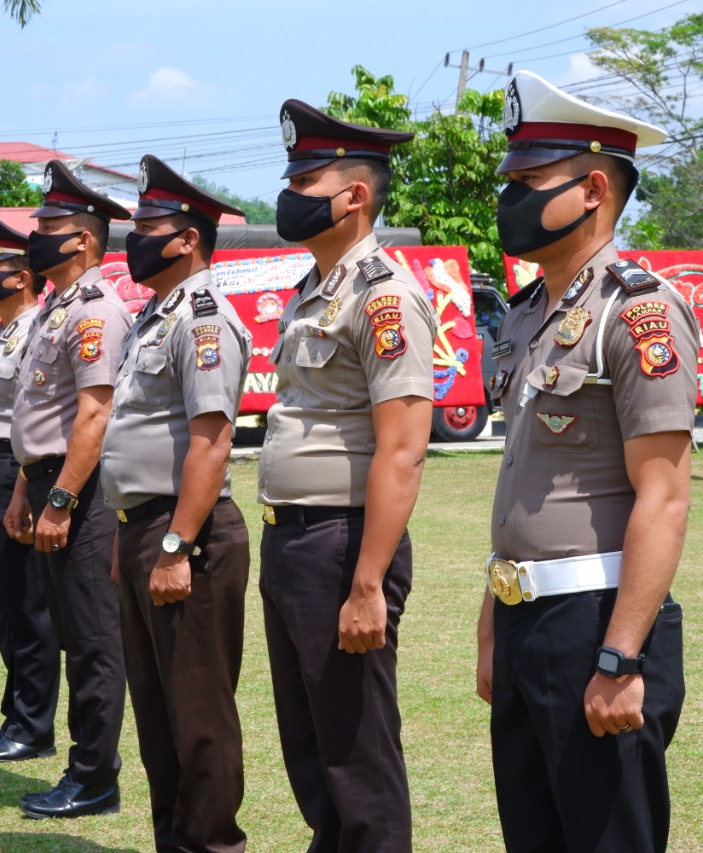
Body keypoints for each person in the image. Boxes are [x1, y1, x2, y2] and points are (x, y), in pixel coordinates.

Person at [475, 70, 695, 853]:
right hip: (524, 615)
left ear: (594, 188)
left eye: (529, 182)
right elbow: (525, 480)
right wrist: (492, 617)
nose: (511, 198)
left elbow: (664, 498)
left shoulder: (637, 311)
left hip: (595, 622)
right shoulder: (531, 311)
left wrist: (619, 655)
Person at [256, 98, 432, 852]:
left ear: (354, 196)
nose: (289, 195)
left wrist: (367, 584)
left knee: (356, 751)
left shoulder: (384, 296)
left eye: (306, 180)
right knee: (311, 741)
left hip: (342, 544)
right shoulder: (312, 290)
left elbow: (403, 451)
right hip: (292, 541)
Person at [100, 154, 252, 852]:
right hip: (144, 529)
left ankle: (212, 844)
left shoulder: (203, 318)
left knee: (198, 718)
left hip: (186, 535)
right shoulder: (151, 318)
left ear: (187, 237)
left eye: (148, 226)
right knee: (157, 717)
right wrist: (126, 535)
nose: (135, 239)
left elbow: (210, 443)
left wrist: (173, 545)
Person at [6, 161, 133, 817]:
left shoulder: (95, 312)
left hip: (81, 493)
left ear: (83, 239)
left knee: (91, 639)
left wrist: (60, 498)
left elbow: (94, 414)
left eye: (49, 226)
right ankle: (83, 766)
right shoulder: (57, 307)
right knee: (66, 633)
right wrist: (28, 488)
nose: (38, 236)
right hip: (49, 482)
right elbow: (43, 415)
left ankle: (95, 776)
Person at [0, 215, 62, 762]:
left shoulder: (37, 327)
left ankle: (33, 726)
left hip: (11, 472)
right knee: (2, 602)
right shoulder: (2, 330)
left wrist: (22, 484)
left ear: (23, 277)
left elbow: (33, 415)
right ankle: (16, 713)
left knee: (28, 607)